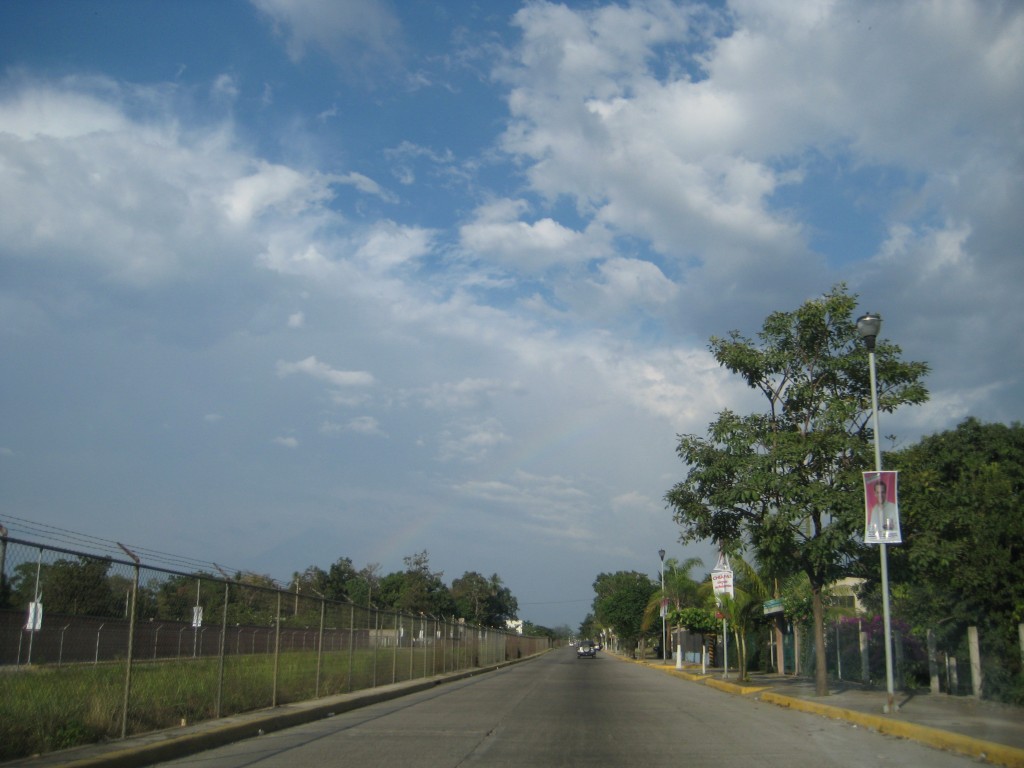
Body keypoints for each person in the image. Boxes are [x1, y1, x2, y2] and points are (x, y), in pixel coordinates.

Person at [866, 475, 900, 543]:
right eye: (878, 492)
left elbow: (897, 529)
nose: (880, 495)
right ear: (875, 494)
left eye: (882, 492)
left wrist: (891, 528)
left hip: (891, 541)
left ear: (885, 493)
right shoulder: (874, 510)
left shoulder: (893, 507)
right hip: (878, 542)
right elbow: (872, 528)